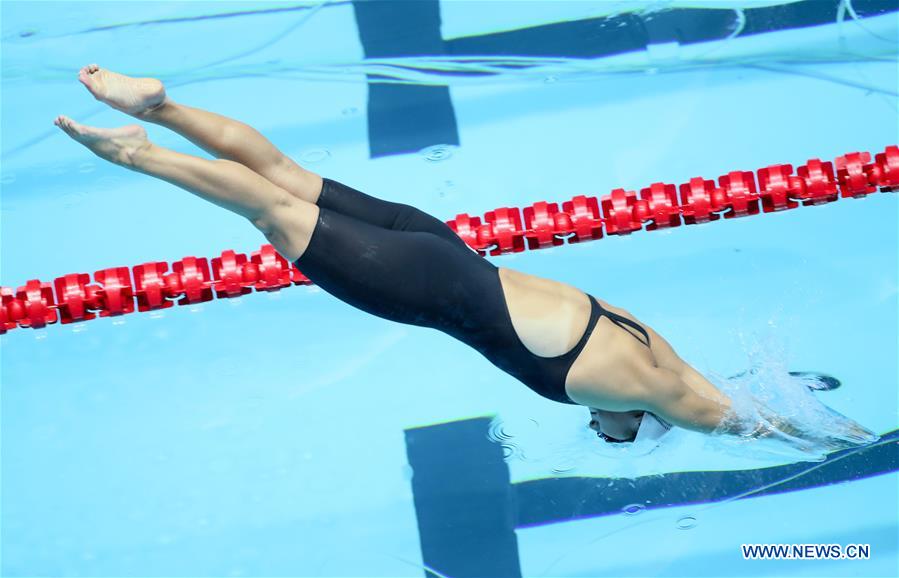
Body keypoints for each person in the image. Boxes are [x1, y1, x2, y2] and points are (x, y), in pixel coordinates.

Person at [55, 65, 877, 449]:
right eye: (611, 434)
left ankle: (160, 105)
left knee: (285, 175)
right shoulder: (670, 397)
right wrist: (860, 446)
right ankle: (138, 152)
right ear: (639, 416)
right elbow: (752, 420)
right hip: (422, 283)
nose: (600, 430)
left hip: (443, 245)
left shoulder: (655, 350)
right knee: (271, 208)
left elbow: (742, 392)